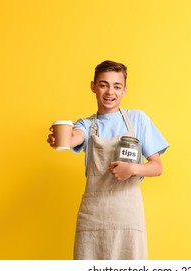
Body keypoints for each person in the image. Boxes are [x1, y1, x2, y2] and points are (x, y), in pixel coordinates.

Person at [47, 60, 169, 260]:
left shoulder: (138, 119)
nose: (110, 91)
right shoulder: (86, 124)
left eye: (117, 86)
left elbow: (157, 167)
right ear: (93, 86)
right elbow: (73, 137)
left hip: (128, 214)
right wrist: (60, 140)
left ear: (124, 90)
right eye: (103, 84)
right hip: (93, 216)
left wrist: (132, 169)